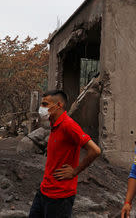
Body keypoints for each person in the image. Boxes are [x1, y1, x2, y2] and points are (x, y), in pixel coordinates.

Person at [29, 90, 102, 218]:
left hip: (60, 197)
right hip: (44, 192)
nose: (42, 108)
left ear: (59, 105)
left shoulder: (68, 125)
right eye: (41, 104)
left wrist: (75, 171)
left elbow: (95, 150)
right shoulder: (54, 125)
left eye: (45, 104)